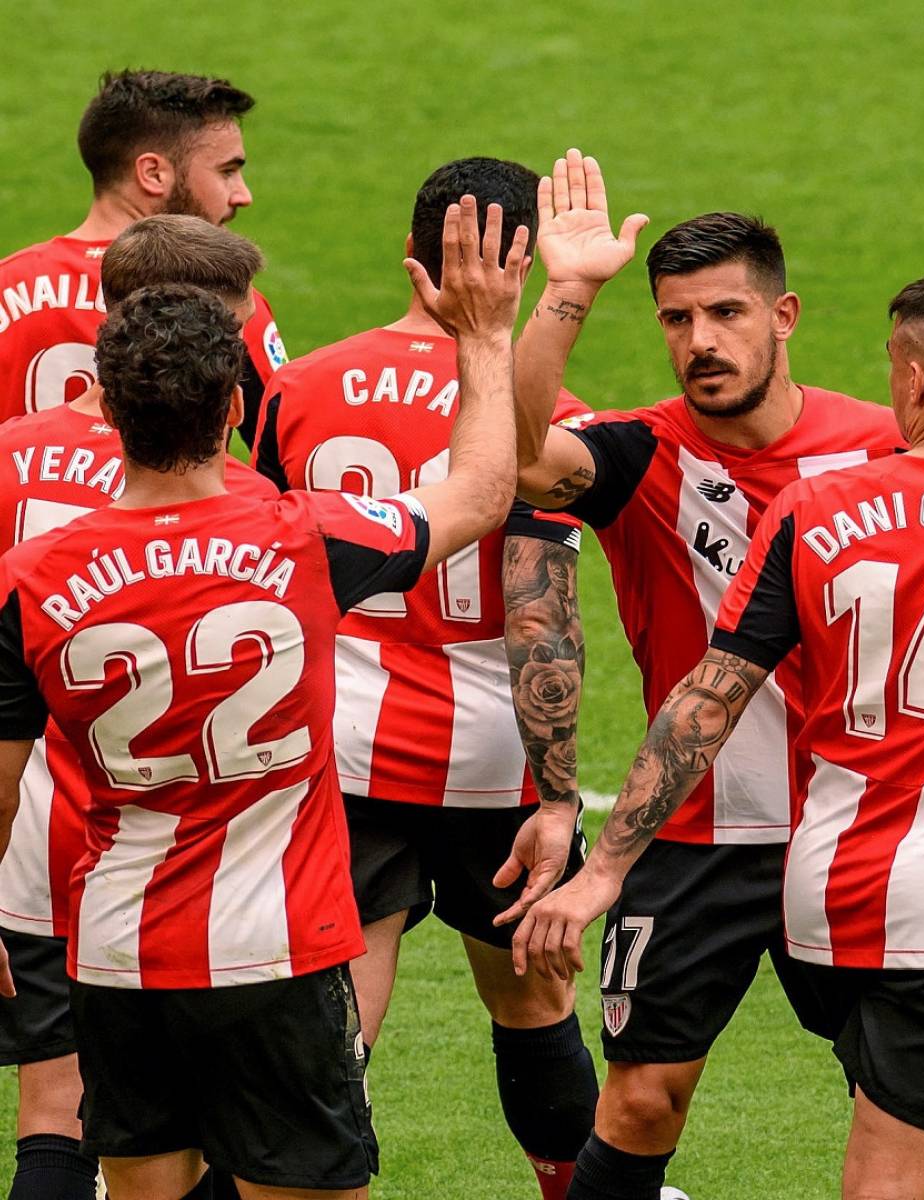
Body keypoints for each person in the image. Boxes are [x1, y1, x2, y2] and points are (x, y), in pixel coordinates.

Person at [513, 270, 924, 1200]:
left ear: (910, 379)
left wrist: (601, 866)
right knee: (909, 1156)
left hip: (823, 882)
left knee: (921, 1146)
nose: (700, 338)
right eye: (681, 317)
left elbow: (709, 693)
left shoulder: (818, 507)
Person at [0, 194, 528, 1200]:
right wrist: (488, 338)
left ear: (106, 408)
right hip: (276, 947)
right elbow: (481, 493)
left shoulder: (28, 577)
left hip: (112, 948)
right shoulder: (308, 538)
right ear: (236, 406)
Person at [253, 156, 598, 1200]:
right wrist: (557, 791)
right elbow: (541, 615)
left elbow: (267, 566)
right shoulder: (548, 412)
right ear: (525, 264)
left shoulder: (293, 388)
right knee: (535, 1007)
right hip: (496, 766)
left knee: (339, 1015)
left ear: (415, 258)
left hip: (340, 754)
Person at [0, 213, 278, 1199]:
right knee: (197, 1120)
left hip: (25, 809)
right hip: (173, 831)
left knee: (54, 1103)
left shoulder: (8, 450)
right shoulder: (237, 495)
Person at [0, 69, 286, 446]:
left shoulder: (7, 284)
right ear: (153, 174)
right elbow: (281, 448)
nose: (242, 195)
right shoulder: (222, 295)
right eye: (227, 172)